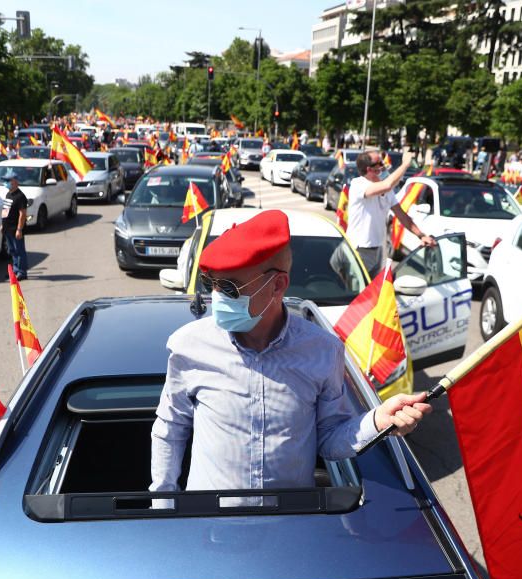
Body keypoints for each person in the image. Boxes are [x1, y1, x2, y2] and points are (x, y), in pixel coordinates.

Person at [150, 209, 433, 494]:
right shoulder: (189, 346)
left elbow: (330, 440)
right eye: (211, 284)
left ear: (277, 285)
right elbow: (170, 428)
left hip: (293, 526)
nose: (217, 297)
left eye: (230, 288)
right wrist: (164, 502)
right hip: (209, 525)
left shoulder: (324, 351)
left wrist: (376, 421)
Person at [347, 150, 435, 278]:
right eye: (379, 163)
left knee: (373, 292)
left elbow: (402, 215)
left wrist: (421, 236)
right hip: (359, 250)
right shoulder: (358, 184)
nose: (383, 166)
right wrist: (405, 164)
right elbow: (388, 184)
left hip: (377, 248)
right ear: (369, 169)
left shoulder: (386, 191)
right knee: (358, 292)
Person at [1, 174, 29, 280]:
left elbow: (22, 214)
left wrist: (19, 229)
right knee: (12, 251)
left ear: (15, 182)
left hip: (15, 229)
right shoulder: (8, 194)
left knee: (19, 251)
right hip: (7, 228)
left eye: (8, 181)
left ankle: (22, 272)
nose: (6, 183)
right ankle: (15, 270)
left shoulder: (20, 196)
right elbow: (5, 211)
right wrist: (2, 225)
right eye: (6, 180)